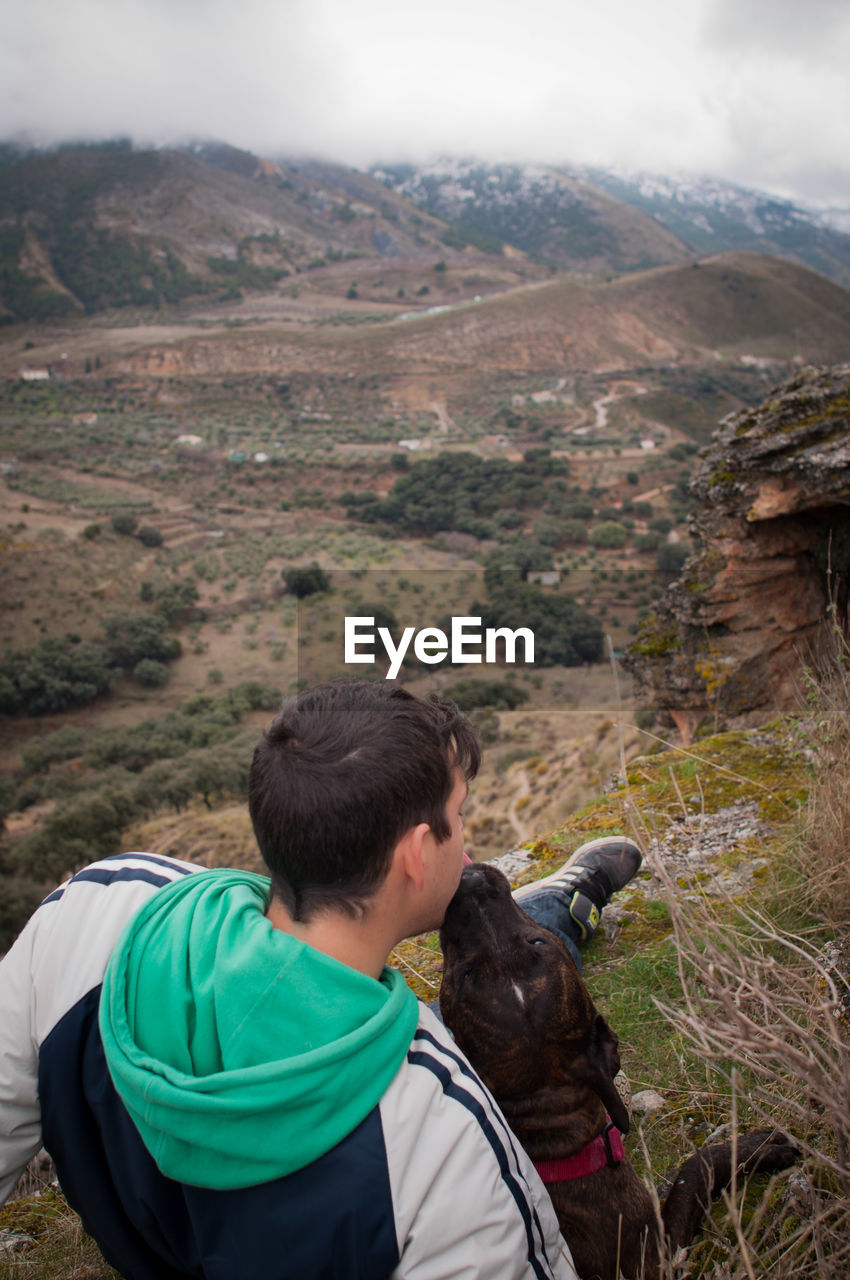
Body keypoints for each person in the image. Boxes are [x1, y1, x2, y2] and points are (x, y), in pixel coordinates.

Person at [0, 679, 640, 1279]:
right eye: (460, 814)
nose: (466, 842)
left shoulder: (95, 904)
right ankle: (559, 909)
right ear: (418, 854)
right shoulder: (447, 1141)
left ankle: (558, 907)